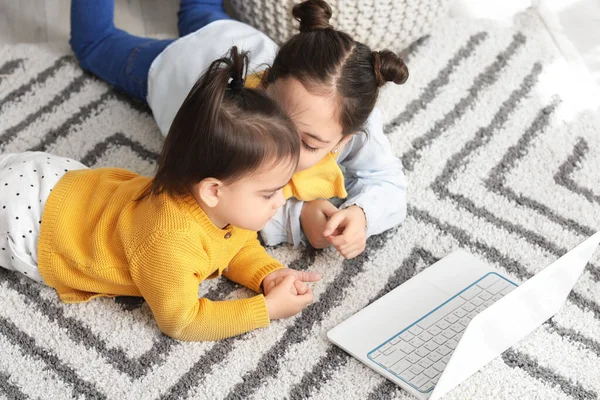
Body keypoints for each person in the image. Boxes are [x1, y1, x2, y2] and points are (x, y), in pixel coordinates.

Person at [0, 47, 321, 342]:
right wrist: (265, 311)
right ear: (212, 191)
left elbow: (235, 245)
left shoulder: (219, 203)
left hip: (59, 180)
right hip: (30, 222)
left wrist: (269, 275)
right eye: (268, 194)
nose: (280, 201)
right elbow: (182, 322)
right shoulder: (169, 242)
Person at [69, 0, 409, 260]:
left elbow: (389, 182)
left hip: (231, 35)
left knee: (200, 11)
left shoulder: (356, 121)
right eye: (275, 115)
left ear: (344, 139)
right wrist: (298, 216)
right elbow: (220, 206)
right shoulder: (233, 125)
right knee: (94, 44)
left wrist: (363, 213)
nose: (283, 145)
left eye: (308, 143)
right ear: (263, 84)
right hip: (173, 63)